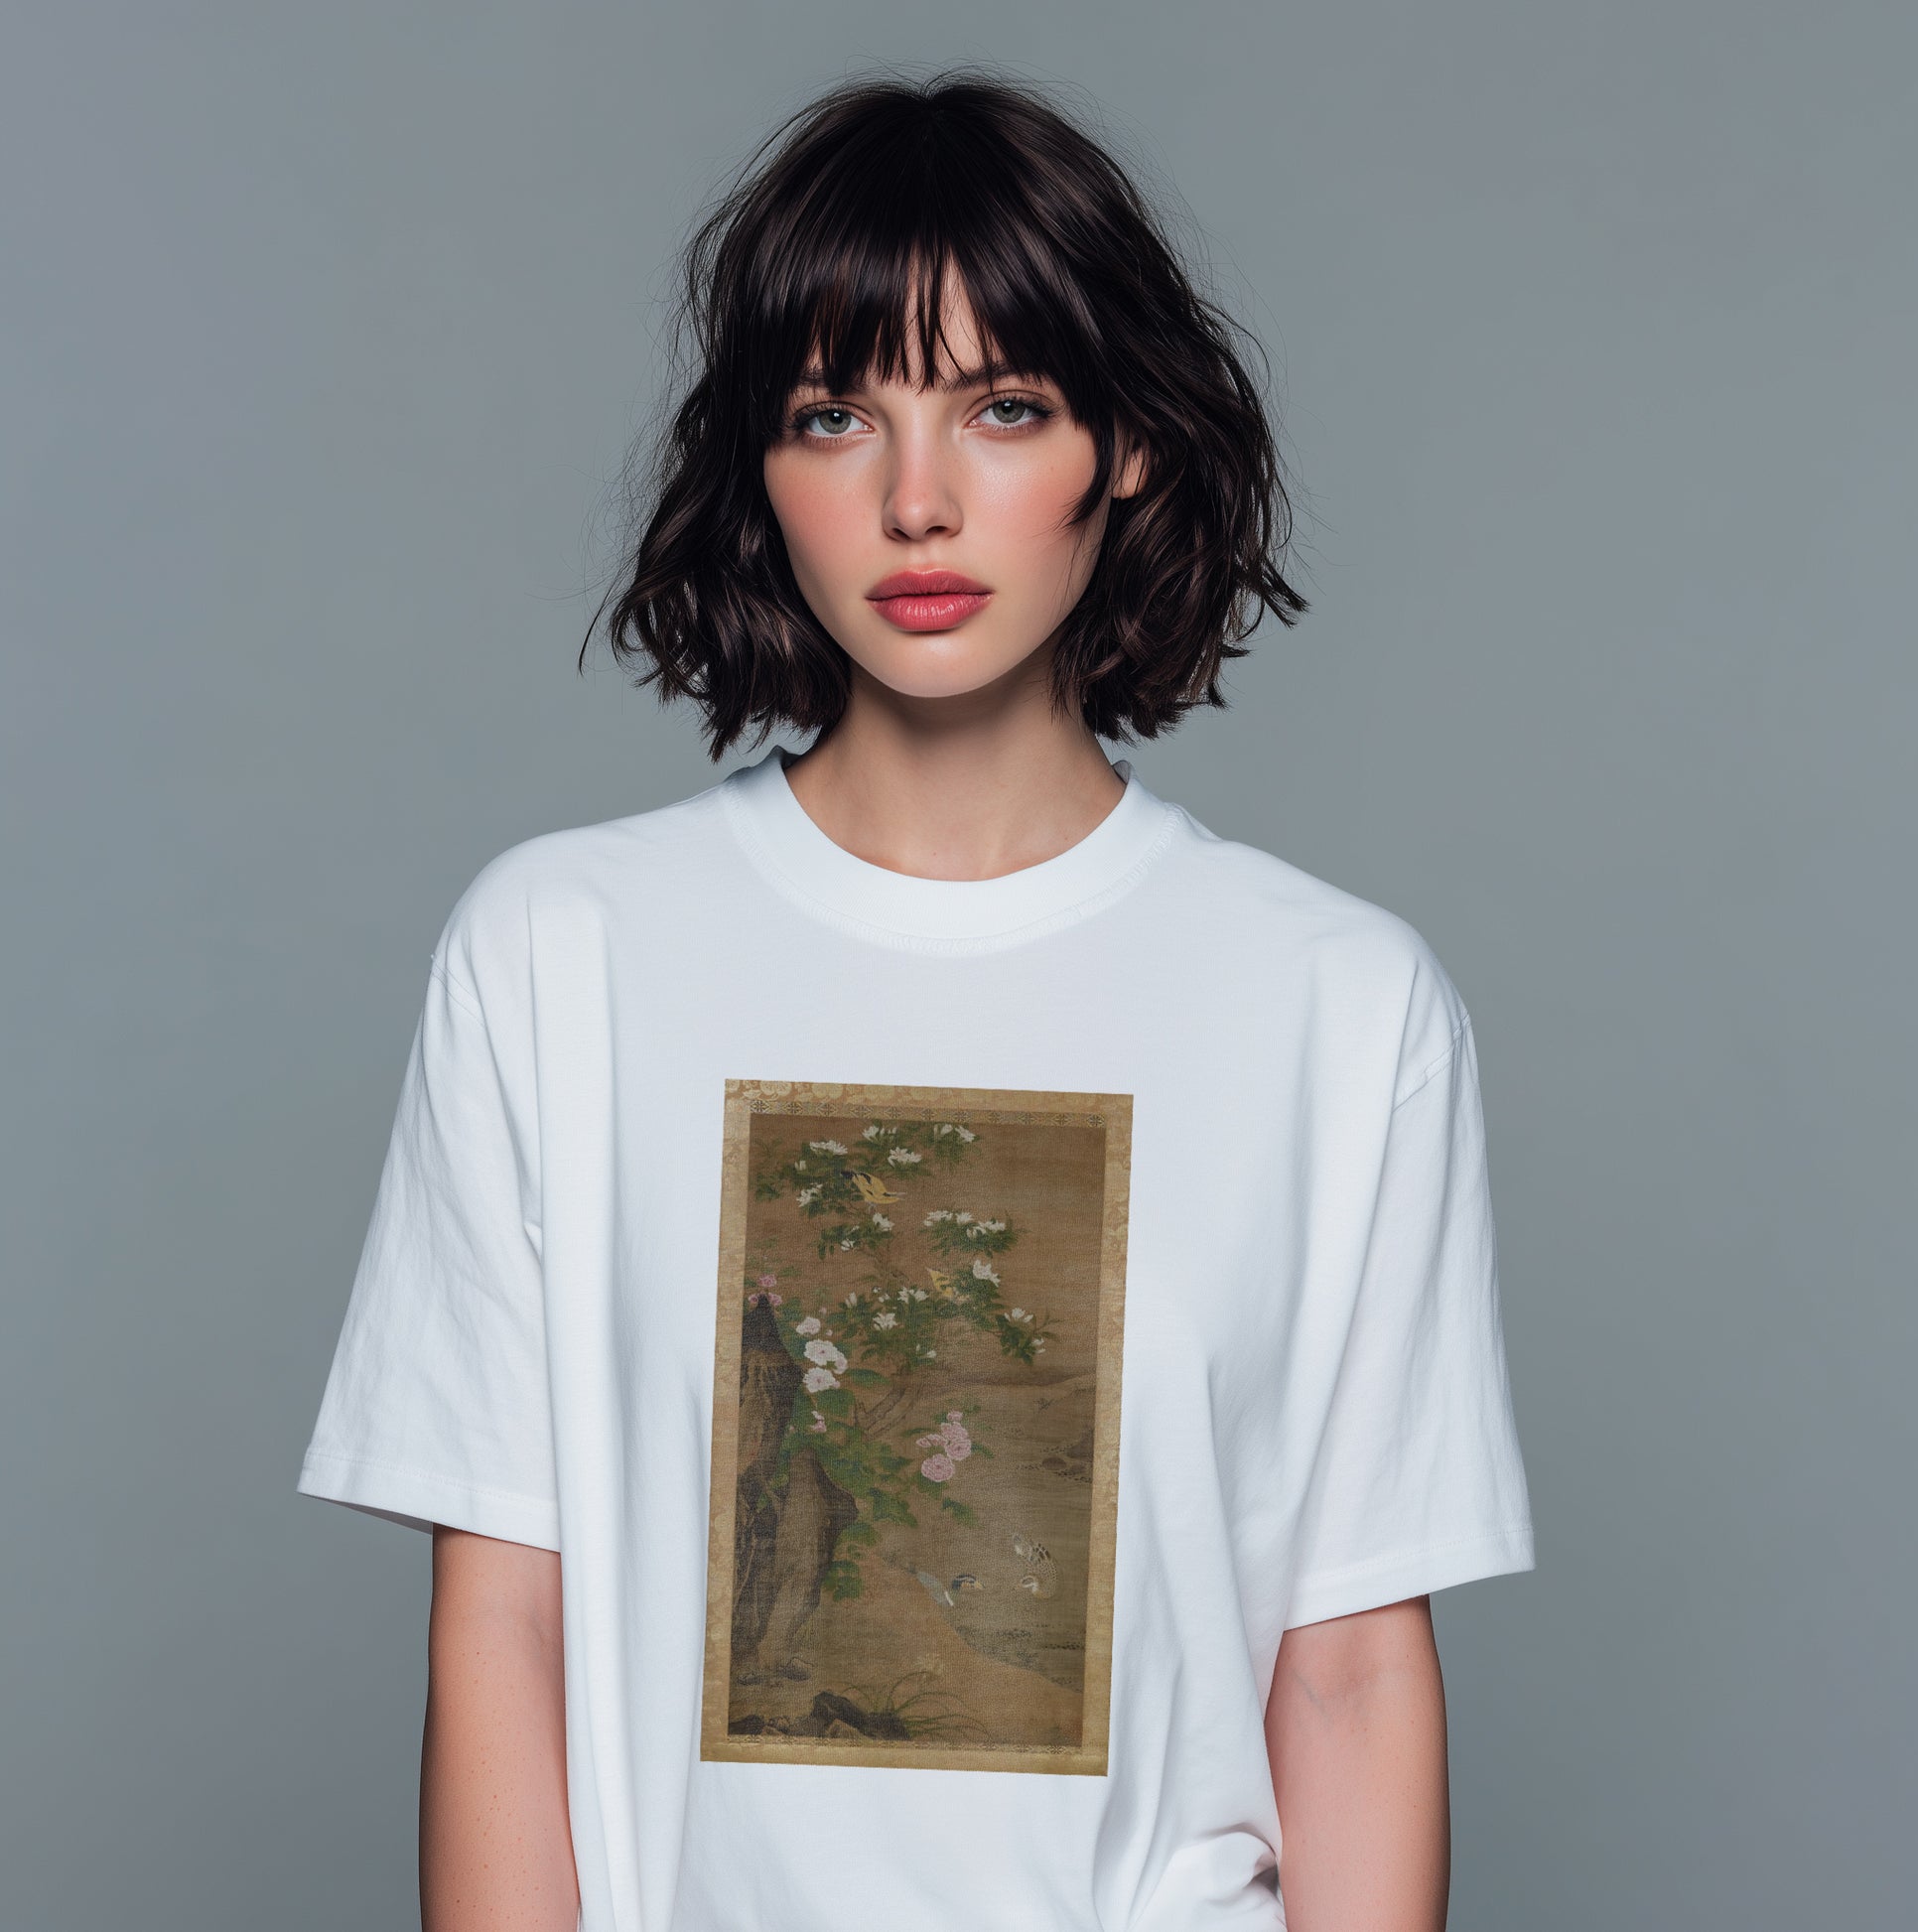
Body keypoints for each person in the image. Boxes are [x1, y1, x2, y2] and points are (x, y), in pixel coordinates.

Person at [297, 69, 1534, 1932]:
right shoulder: (558, 952)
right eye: (834, 416)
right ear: (760, 465)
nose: (916, 500)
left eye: (1003, 408)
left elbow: (1350, 1672)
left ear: (1126, 445)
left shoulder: (1339, 1007)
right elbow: (504, 1627)